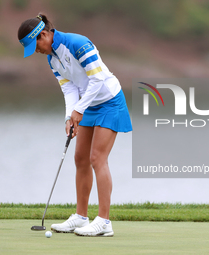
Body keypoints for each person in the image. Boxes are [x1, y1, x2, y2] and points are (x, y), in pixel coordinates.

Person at [18, 13, 132, 237]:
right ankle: (81, 217)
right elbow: (68, 88)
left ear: (44, 34)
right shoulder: (52, 58)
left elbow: (98, 79)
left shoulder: (78, 43)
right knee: (80, 158)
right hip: (87, 103)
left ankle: (104, 221)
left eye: (36, 45)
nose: (37, 51)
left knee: (97, 158)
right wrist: (70, 117)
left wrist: (79, 110)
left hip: (109, 101)